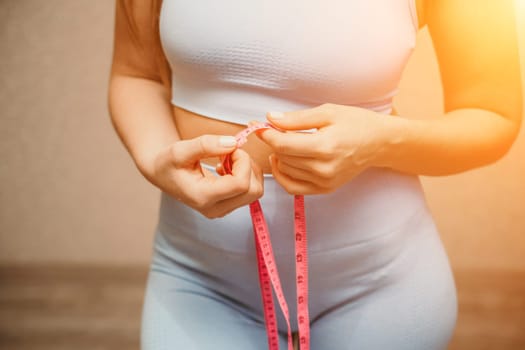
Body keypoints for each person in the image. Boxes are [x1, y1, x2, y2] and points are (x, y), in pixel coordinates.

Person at [108, 0, 522, 349]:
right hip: (199, 282)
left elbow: (494, 115)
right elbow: (135, 74)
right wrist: (157, 159)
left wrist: (381, 141)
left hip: (378, 284)